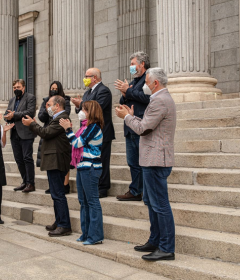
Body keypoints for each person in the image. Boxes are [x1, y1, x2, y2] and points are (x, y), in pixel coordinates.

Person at [115, 67, 177, 261]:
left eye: (148, 83)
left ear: (155, 83)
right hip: (151, 159)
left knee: (160, 205)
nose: (146, 87)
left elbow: (143, 129)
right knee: (151, 202)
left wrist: (126, 117)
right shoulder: (158, 99)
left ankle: (166, 248)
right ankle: (155, 240)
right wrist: (132, 115)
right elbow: (148, 124)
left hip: (156, 160)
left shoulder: (159, 100)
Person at [22, 96, 72, 237]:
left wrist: (32, 123)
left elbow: (46, 133)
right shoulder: (56, 118)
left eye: (49, 104)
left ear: (57, 106)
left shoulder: (62, 117)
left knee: (58, 194)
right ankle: (59, 221)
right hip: (53, 160)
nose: (46, 107)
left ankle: (64, 225)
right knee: (55, 194)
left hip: (57, 161)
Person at [60, 100, 104, 245]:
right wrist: (70, 131)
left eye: (84, 109)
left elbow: (78, 143)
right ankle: (86, 234)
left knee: (92, 202)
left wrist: (68, 130)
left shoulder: (94, 127)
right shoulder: (85, 128)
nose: (81, 112)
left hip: (91, 167)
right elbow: (76, 142)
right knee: (83, 202)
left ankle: (95, 236)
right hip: (82, 167)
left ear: (91, 111)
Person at [71, 68, 115, 198]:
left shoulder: (104, 91)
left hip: (101, 132)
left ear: (94, 77)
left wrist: (82, 104)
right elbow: (83, 111)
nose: (85, 78)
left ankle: (103, 188)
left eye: (87, 76)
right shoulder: (87, 92)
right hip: (88, 132)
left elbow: (97, 108)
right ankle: (94, 185)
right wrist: (78, 106)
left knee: (102, 160)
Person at [114, 51, 151, 202]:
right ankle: (135, 190)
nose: (131, 67)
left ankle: (142, 191)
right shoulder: (134, 81)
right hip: (129, 126)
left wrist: (127, 90)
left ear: (142, 64)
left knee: (141, 161)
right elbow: (125, 99)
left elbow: (148, 98)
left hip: (140, 124)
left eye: (133, 64)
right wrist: (124, 94)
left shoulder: (148, 79)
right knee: (132, 161)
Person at [37, 81, 72, 195]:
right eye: (52, 88)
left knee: (60, 161)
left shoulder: (64, 102)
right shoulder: (46, 101)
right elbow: (41, 116)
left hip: (56, 130)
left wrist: (51, 110)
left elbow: (64, 112)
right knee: (50, 160)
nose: (53, 90)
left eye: (56, 88)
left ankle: (65, 185)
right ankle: (54, 186)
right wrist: (49, 109)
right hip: (48, 128)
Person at [4, 79, 37, 193]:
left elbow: (30, 112)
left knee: (27, 158)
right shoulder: (12, 100)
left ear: (23, 87)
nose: (16, 89)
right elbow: (6, 114)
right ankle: (24, 181)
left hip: (26, 132)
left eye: (18, 87)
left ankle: (30, 183)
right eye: (14, 88)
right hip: (14, 133)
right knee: (18, 159)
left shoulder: (30, 97)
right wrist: (7, 116)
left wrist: (14, 115)